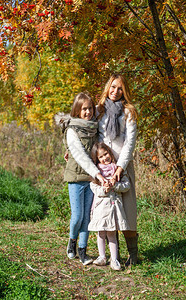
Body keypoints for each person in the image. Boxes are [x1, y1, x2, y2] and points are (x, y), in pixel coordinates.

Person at [97, 73, 138, 267]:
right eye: (113, 87)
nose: (115, 91)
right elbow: (93, 136)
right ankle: (114, 255)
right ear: (108, 88)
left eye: (120, 88)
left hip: (123, 165)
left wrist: (120, 167)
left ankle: (133, 254)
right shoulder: (100, 110)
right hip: (104, 167)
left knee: (127, 210)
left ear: (125, 91)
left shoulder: (129, 111)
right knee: (107, 210)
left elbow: (130, 141)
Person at [63, 92, 106, 265]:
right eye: (84, 109)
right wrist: (98, 174)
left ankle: (83, 250)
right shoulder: (72, 130)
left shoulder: (94, 128)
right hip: (76, 176)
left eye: (90, 108)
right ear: (77, 110)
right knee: (77, 216)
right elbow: (80, 155)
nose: (88, 112)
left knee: (87, 217)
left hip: (90, 178)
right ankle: (72, 241)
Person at [88, 142, 130, 270]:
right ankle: (102, 257)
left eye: (106, 154)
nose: (104, 158)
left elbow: (126, 185)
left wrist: (115, 186)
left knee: (112, 233)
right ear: (97, 159)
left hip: (114, 207)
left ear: (110, 153)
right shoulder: (97, 172)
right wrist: (104, 189)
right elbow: (93, 187)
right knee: (101, 233)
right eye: (100, 157)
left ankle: (114, 259)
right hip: (101, 208)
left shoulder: (118, 169)